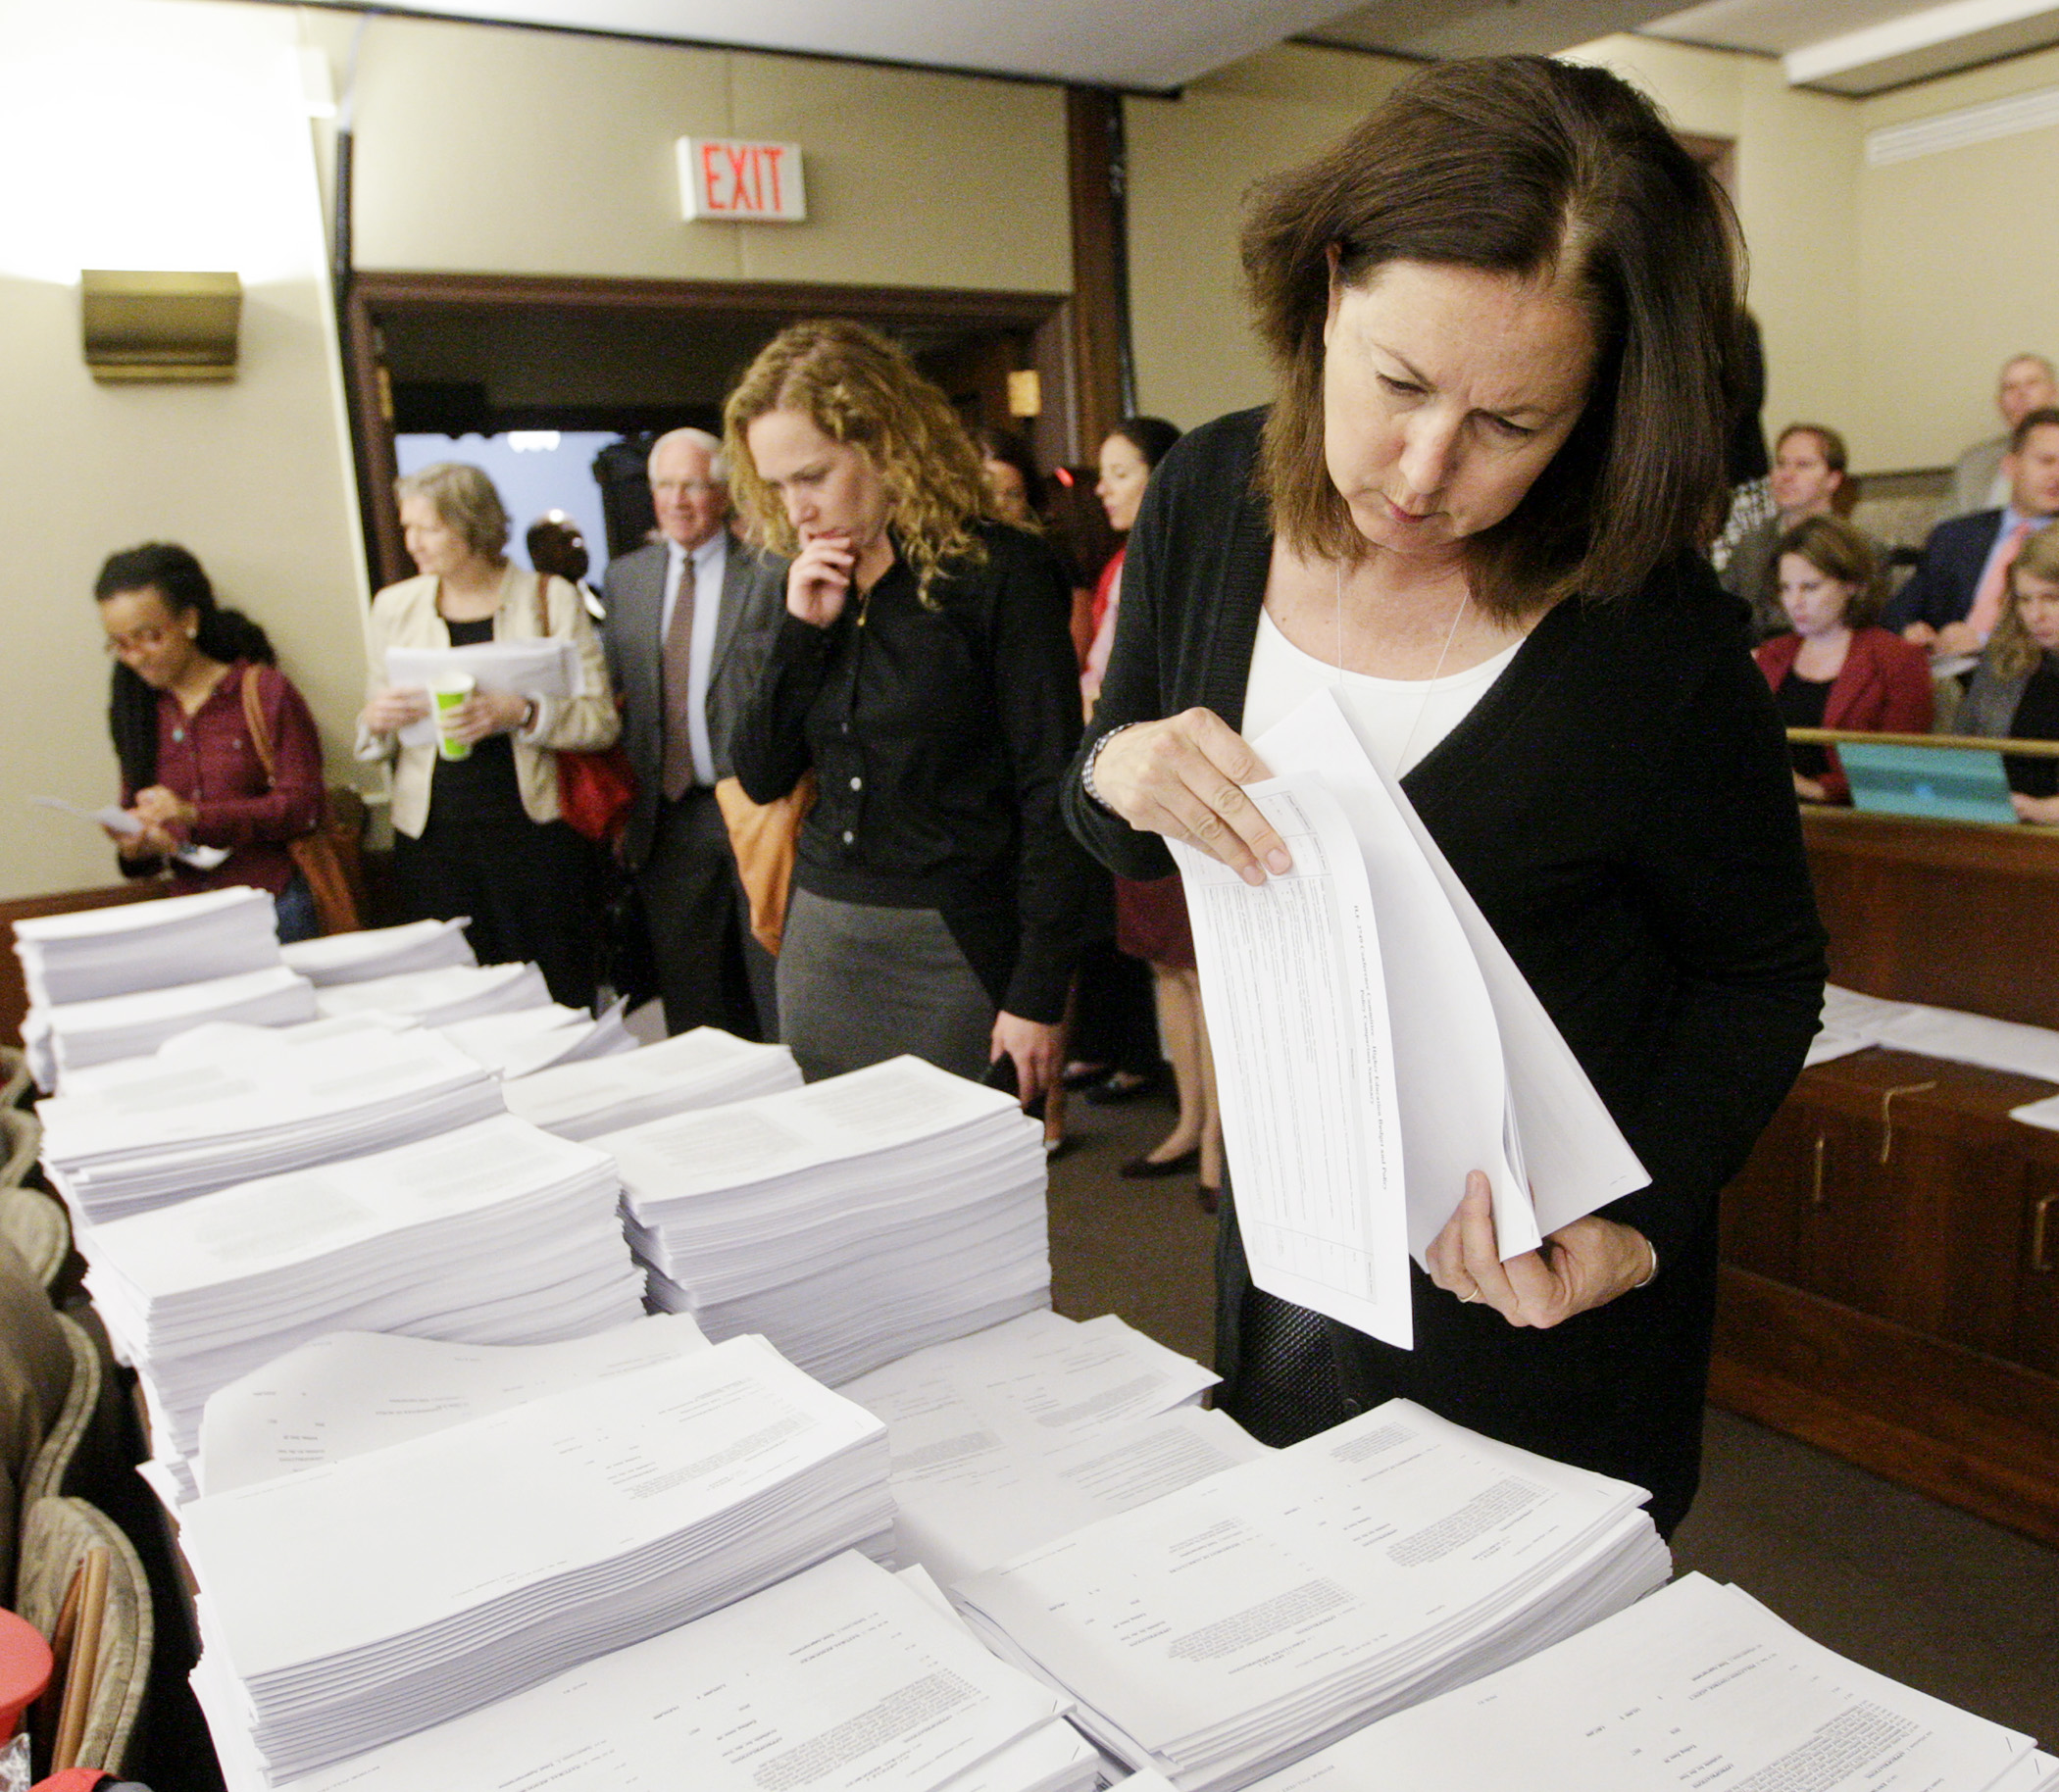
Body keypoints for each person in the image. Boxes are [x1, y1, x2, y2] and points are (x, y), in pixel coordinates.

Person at [1063, 56, 1825, 1537]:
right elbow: (1103, 798)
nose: (1421, 475)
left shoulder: (1645, 630)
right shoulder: (1215, 499)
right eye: (1399, 386)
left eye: (1512, 425)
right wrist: (1117, 767)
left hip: (1542, 1320)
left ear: (1596, 411)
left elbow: (1763, 972)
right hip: (1285, 1257)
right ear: (1329, 287)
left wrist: (1640, 1224)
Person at [726, 319, 1094, 1104]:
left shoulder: (1000, 571)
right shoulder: (801, 578)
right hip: (823, 936)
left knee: (965, 1202)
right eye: (778, 483)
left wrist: (1038, 988)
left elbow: (1052, 787)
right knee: (833, 1187)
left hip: (955, 945)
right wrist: (801, 635)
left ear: (888, 444)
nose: (796, 508)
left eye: (813, 476)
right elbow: (758, 774)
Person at [357, 461, 619, 1008]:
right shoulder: (395, 607)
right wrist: (377, 721)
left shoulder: (549, 597)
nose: (413, 543)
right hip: (432, 838)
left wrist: (521, 712)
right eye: (408, 528)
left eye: (428, 528)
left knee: (558, 993)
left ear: (471, 524)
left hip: (535, 831)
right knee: (462, 999)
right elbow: (375, 727)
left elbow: (600, 720)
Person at [600, 428, 786, 1038]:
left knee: (775, 992)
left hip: (757, 811)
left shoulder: (768, 574)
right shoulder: (625, 580)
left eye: (695, 486)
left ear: (726, 492)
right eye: (665, 486)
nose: (678, 501)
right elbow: (608, 697)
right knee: (694, 1005)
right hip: (668, 819)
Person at [94, 543, 326, 942]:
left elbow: (304, 807)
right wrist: (139, 844)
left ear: (188, 620)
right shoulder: (138, 710)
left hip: (274, 904)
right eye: (119, 644)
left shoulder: (261, 691)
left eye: (148, 637)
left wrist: (194, 815)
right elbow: (138, 809)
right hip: (191, 912)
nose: (135, 657)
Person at [1753, 516, 1933, 803]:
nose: (1794, 602)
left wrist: (1818, 789)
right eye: (1786, 588)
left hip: (1855, 819)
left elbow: (1900, 767)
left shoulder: (1898, 659)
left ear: (1851, 584)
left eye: (1810, 587)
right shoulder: (1773, 653)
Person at [1887, 407, 2059, 654]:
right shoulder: (1954, 536)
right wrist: (1911, 632)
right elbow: (1896, 614)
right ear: (2010, 466)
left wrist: (1981, 643)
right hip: (1947, 674)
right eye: (2046, 461)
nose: (2057, 474)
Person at [1953, 524, 2059, 821]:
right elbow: (1962, 750)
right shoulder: (2004, 657)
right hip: (1997, 825)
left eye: (2051, 598)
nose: (2036, 615)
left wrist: (2043, 811)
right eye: (2025, 600)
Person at [1720, 423, 1864, 641]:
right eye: (1781, 464)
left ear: (1833, 479)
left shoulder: (1857, 548)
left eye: (1803, 465)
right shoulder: (1751, 542)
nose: (1786, 475)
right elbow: (1721, 606)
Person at [1949, 353, 2057, 519]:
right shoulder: (1973, 462)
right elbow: (1948, 529)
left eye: (2032, 384)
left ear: (2054, 393)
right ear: (1999, 402)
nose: (2021, 394)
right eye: (2010, 387)